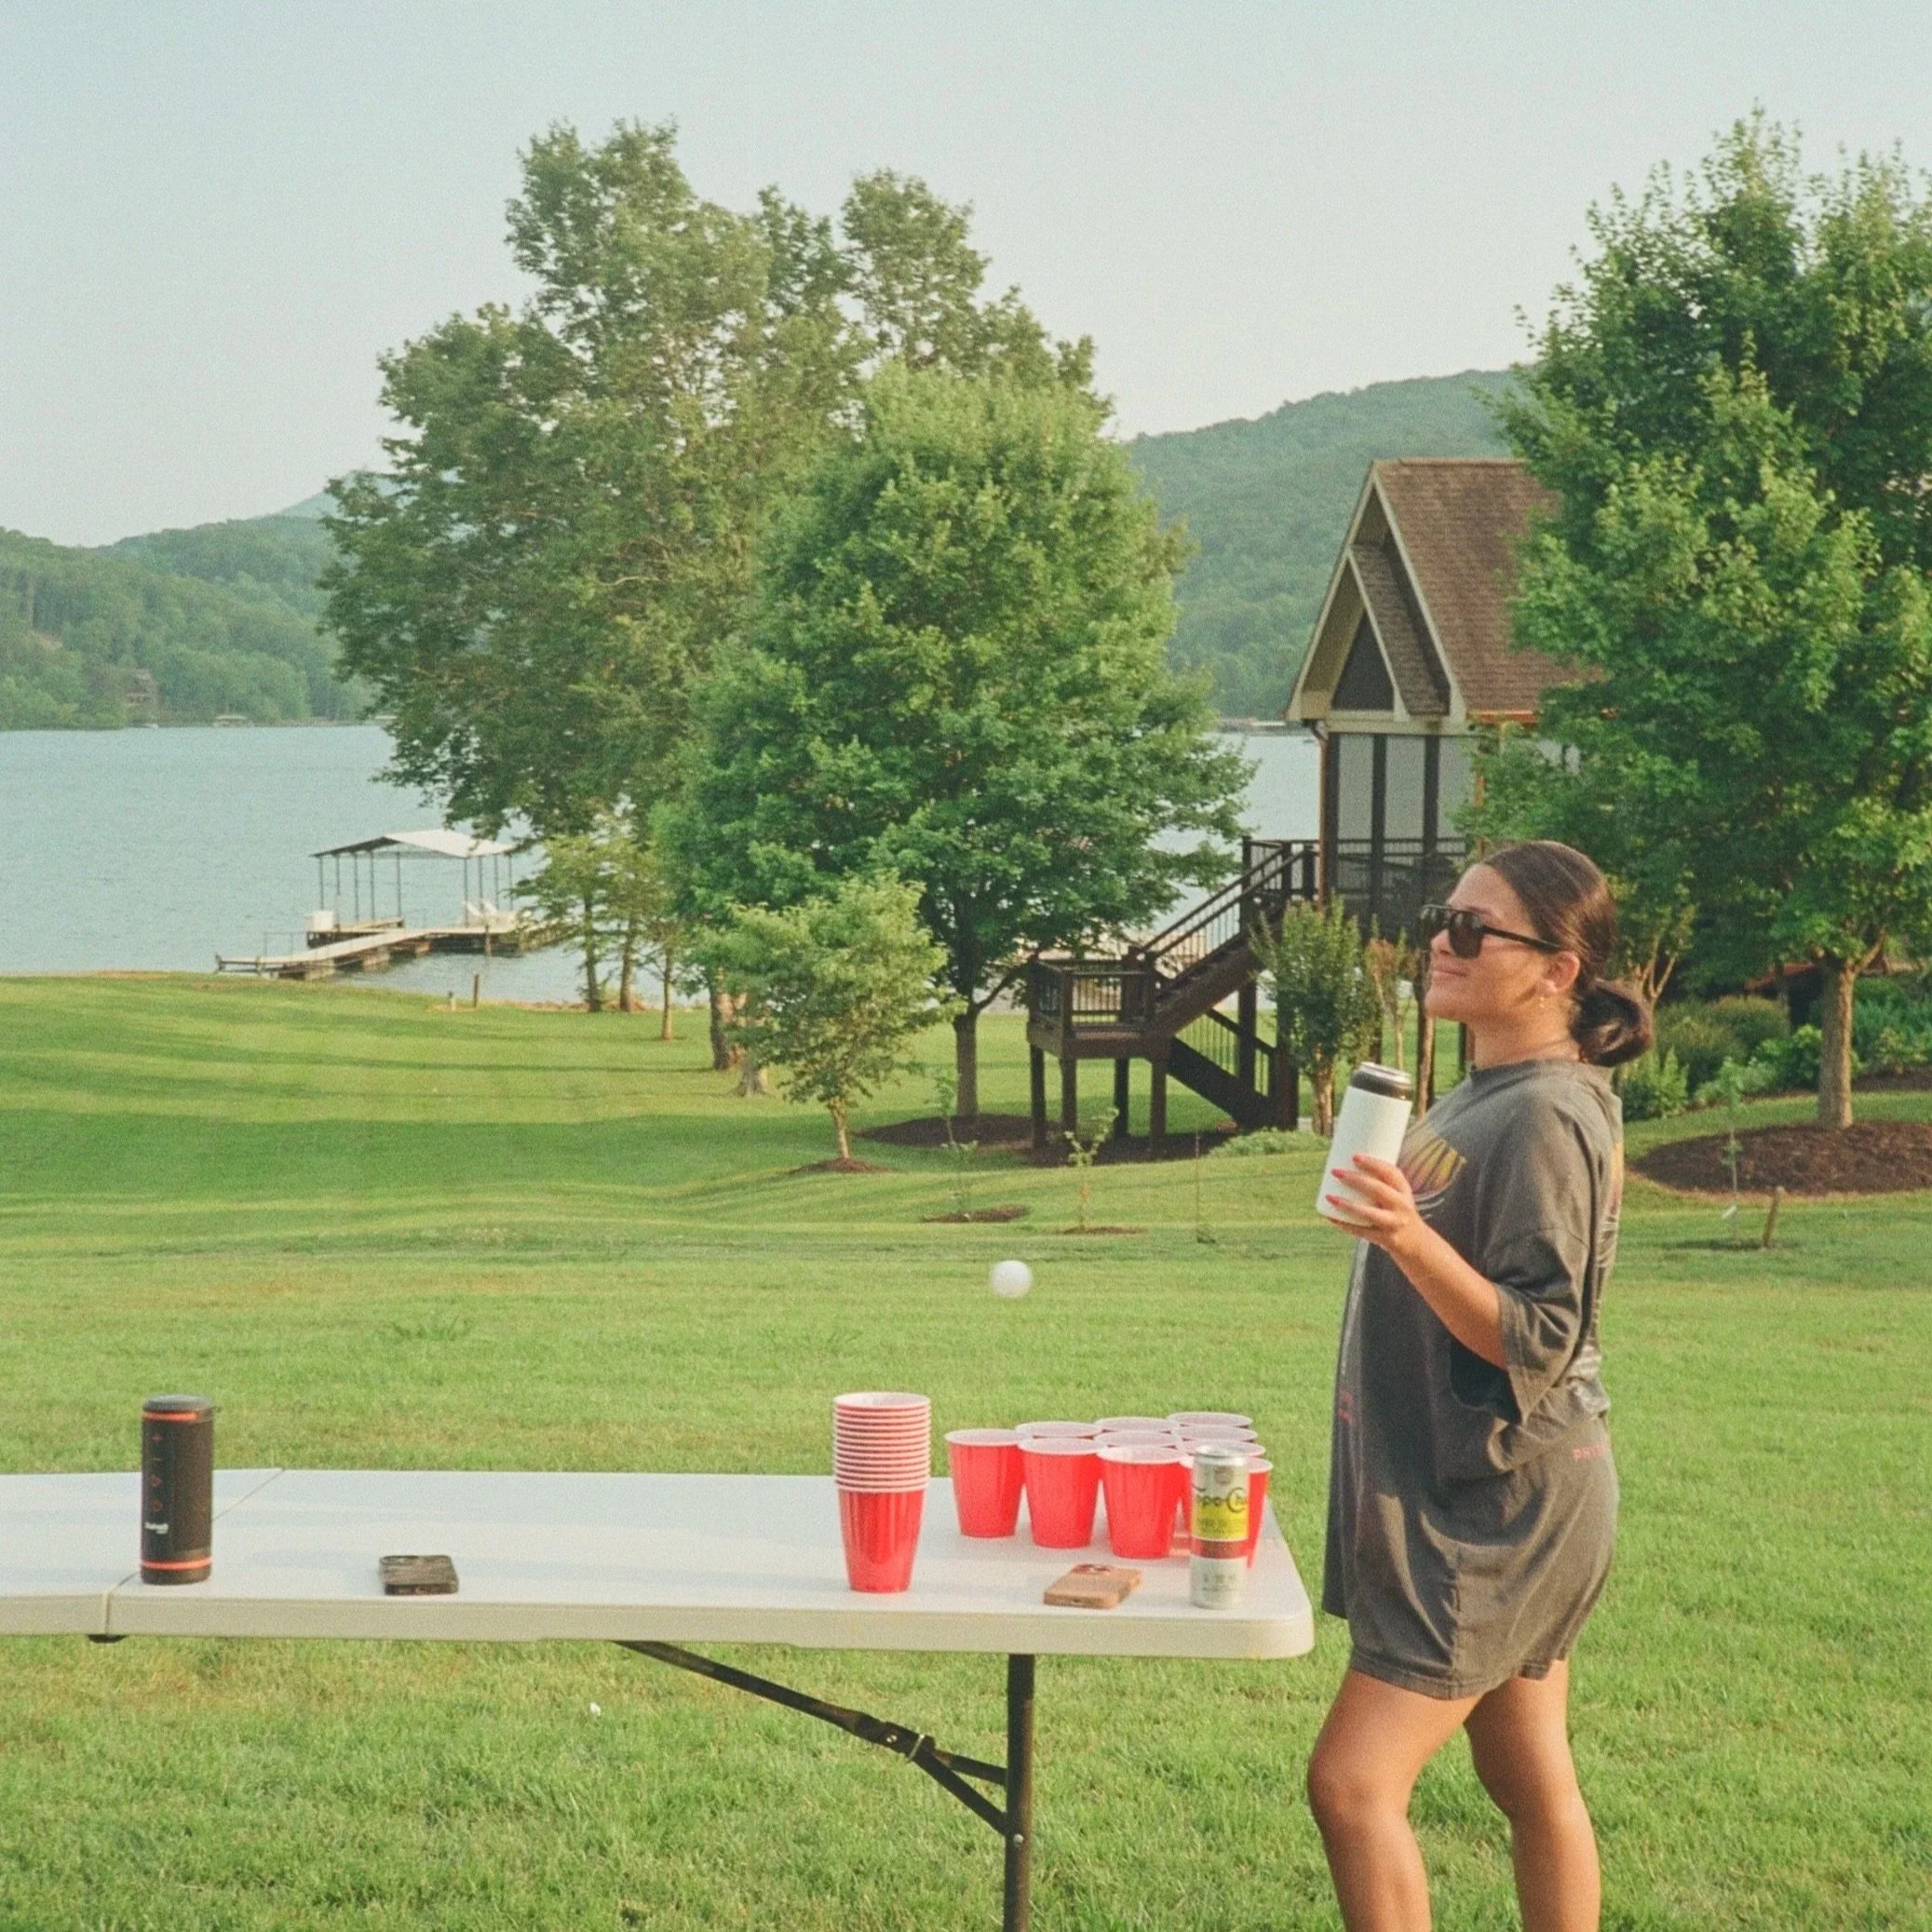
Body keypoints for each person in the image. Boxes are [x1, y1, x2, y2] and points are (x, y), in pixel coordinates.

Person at [1306, 841, 1650, 1932]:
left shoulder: (1545, 1113)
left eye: (1469, 928)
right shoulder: (1488, 1092)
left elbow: (1539, 1333)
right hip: (1500, 1482)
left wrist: (1404, 1234)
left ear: (1555, 969)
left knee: (1351, 1784)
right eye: (1439, 919)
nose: (1439, 943)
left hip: (1491, 1501)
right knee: (1526, 1773)